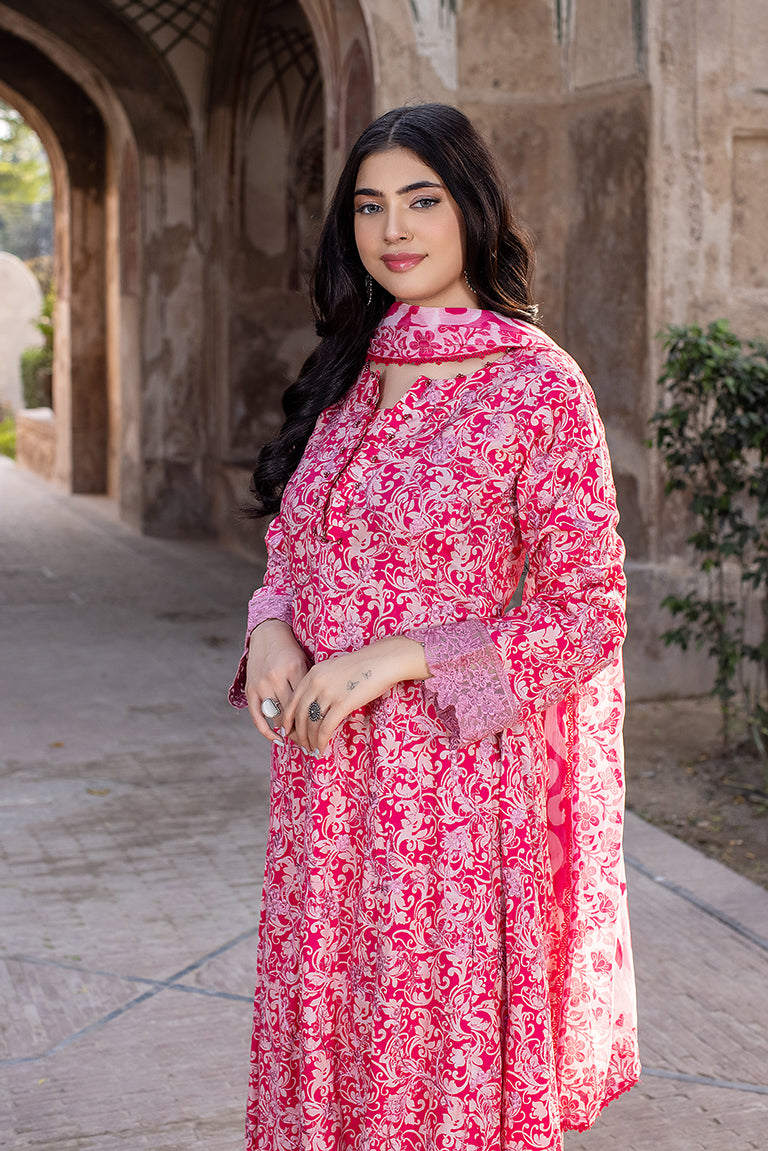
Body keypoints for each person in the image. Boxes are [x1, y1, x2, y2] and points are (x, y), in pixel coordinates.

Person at [229, 102, 640, 1151]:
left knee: (428, 1056)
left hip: (452, 803)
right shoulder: (346, 373)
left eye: (422, 199)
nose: (393, 229)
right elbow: (295, 549)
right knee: (329, 1039)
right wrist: (271, 629)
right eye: (369, 206)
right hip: (327, 796)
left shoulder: (534, 383)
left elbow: (588, 613)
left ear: (473, 209)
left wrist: (397, 658)